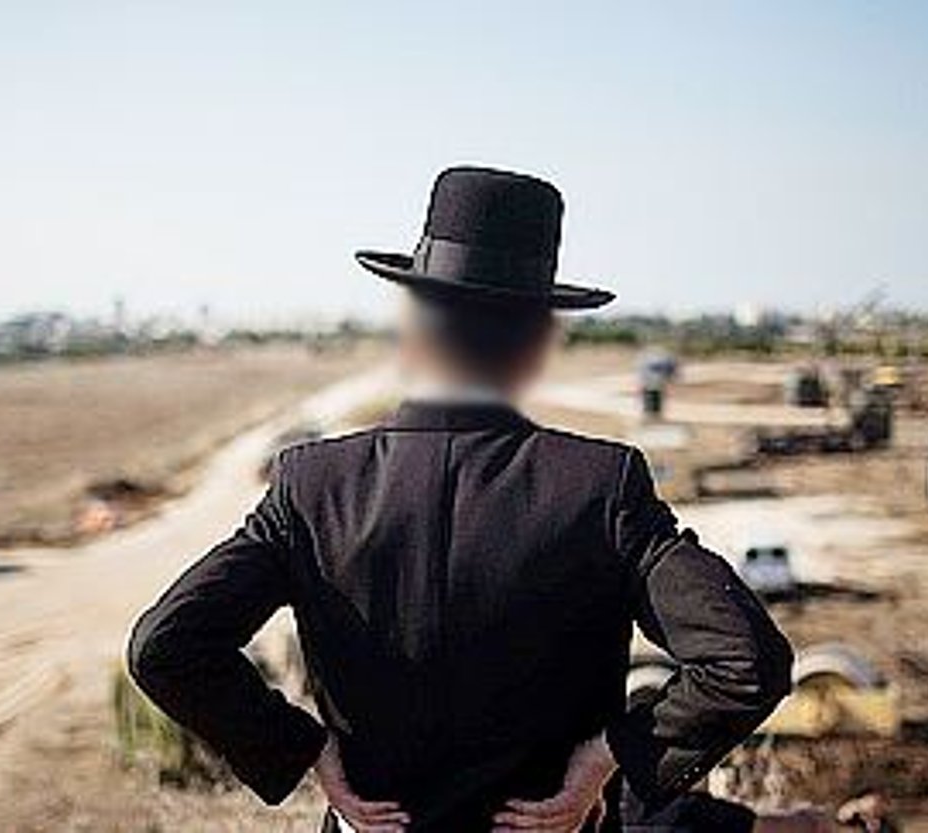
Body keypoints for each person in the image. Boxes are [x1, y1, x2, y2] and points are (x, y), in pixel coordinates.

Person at [127, 166, 794, 832]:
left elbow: (165, 646)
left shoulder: (312, 485)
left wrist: (305, 750)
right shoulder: (601, 486)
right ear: (535, 337)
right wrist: (608, 756)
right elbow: (746, 661)